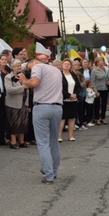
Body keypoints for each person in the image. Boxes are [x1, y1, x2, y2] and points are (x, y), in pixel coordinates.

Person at [18, 55, 63, 184]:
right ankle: (53, 171)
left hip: (42, 107)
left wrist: (24, 80)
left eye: (28, 67)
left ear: (33, 63)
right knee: (53, 141)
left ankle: (48, 175)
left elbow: (34, 83)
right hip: (57, 108)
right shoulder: (55, 70)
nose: (29, 71)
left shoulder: (37, 66)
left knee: (43, 143)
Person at [4, 59, 29, 149]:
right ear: (12, 67)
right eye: (17, 66)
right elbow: (9, 90)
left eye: (20, 65)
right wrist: (23, 87)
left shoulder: (23, 76)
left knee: (23, 123)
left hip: (24, 102)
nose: (19, 67)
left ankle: (22, 141)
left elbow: (28, 88)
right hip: (13, 103)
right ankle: (13, 141)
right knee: (14, 123)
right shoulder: (8, 77)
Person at [59, 58, 82, 142]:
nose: (67, 65)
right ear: (62, 65)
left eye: (68, 64)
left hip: (73, 99)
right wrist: (68, 95)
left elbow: (78, 86)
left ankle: (70, 136)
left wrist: (75, 94)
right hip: (64, 99)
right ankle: (59, 136)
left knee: (71, 118)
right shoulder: (60, 75)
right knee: (62, 118)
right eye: (65, 64)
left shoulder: (73, 74)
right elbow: (59, 88)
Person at [90, 57, 109, 125]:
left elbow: (108, 76)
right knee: (97, 104)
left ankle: (103, 117)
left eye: (102, 61)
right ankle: (97, 118)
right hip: (98, 89)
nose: (102, 62)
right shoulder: (94, 70)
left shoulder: (105, 69)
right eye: (100, 61)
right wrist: (95, 91)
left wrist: (108, 80)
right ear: (97, 62)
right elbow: (93, 81)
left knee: (104, 104)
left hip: (105, 88)